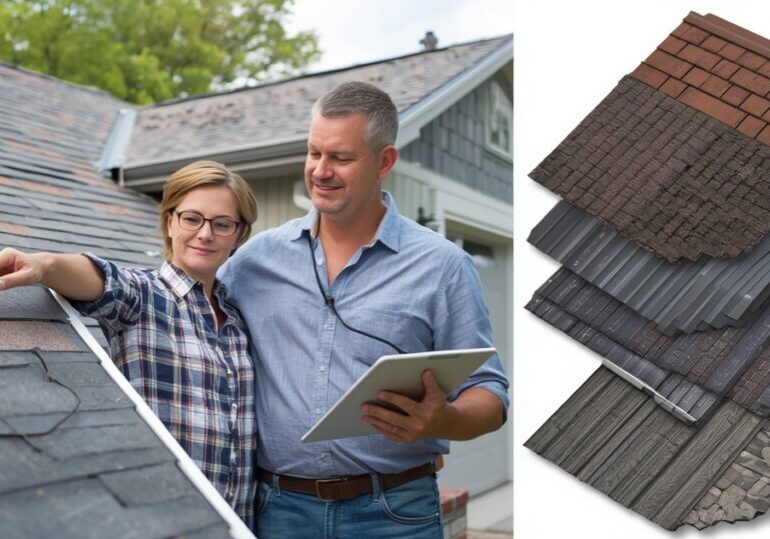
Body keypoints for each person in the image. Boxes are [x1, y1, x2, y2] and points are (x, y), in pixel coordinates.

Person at [218, 81, 510, 538]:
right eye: (314, 153)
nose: (321, 171)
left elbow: (491, 395)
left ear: (385, 162)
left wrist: (445, 420)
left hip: (394, 512)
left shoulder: (443, 267)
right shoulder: (254, 261)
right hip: (279, 510)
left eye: (341, 158)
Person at [0, 161, 259, 530]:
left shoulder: (237, 319)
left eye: (221, 224)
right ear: (170, 222)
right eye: (192, 219)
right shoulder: (145, 296)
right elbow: (102, 277)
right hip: (168, 520)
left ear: (239, 234)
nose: (205, 234)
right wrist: (42, 265)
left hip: (238, 522)